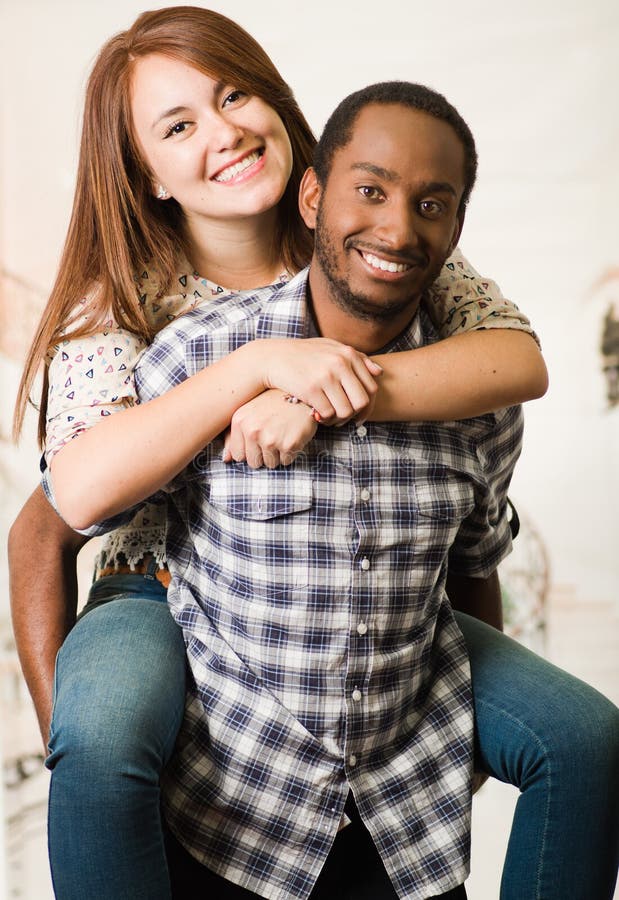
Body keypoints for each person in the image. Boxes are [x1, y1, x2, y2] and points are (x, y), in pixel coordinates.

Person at [8, 8, 550, 899]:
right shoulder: (125, 312)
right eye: (178, 127)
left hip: (356, 589)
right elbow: (58, 509)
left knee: (576, 739)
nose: (223, 133)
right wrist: (257, 367)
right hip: (163, 584)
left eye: (234, 95)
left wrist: (326, 389)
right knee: (103, 734)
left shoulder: (367, 243)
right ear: (144, 173)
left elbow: (514, 359)